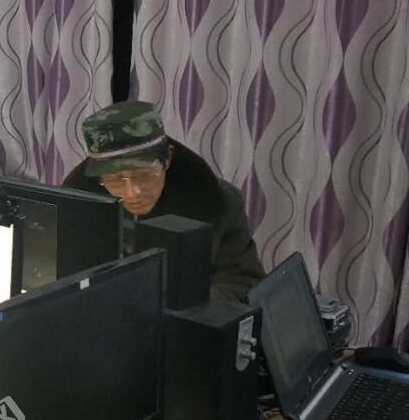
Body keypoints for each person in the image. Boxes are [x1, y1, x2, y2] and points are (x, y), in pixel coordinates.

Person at [62, 100, 265, 302]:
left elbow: (241, 283)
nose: (131, 193)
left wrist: (182, 307)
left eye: (144, 175)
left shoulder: (219, 201)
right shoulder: (78, 203)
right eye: (115, 179)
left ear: (167, 158)